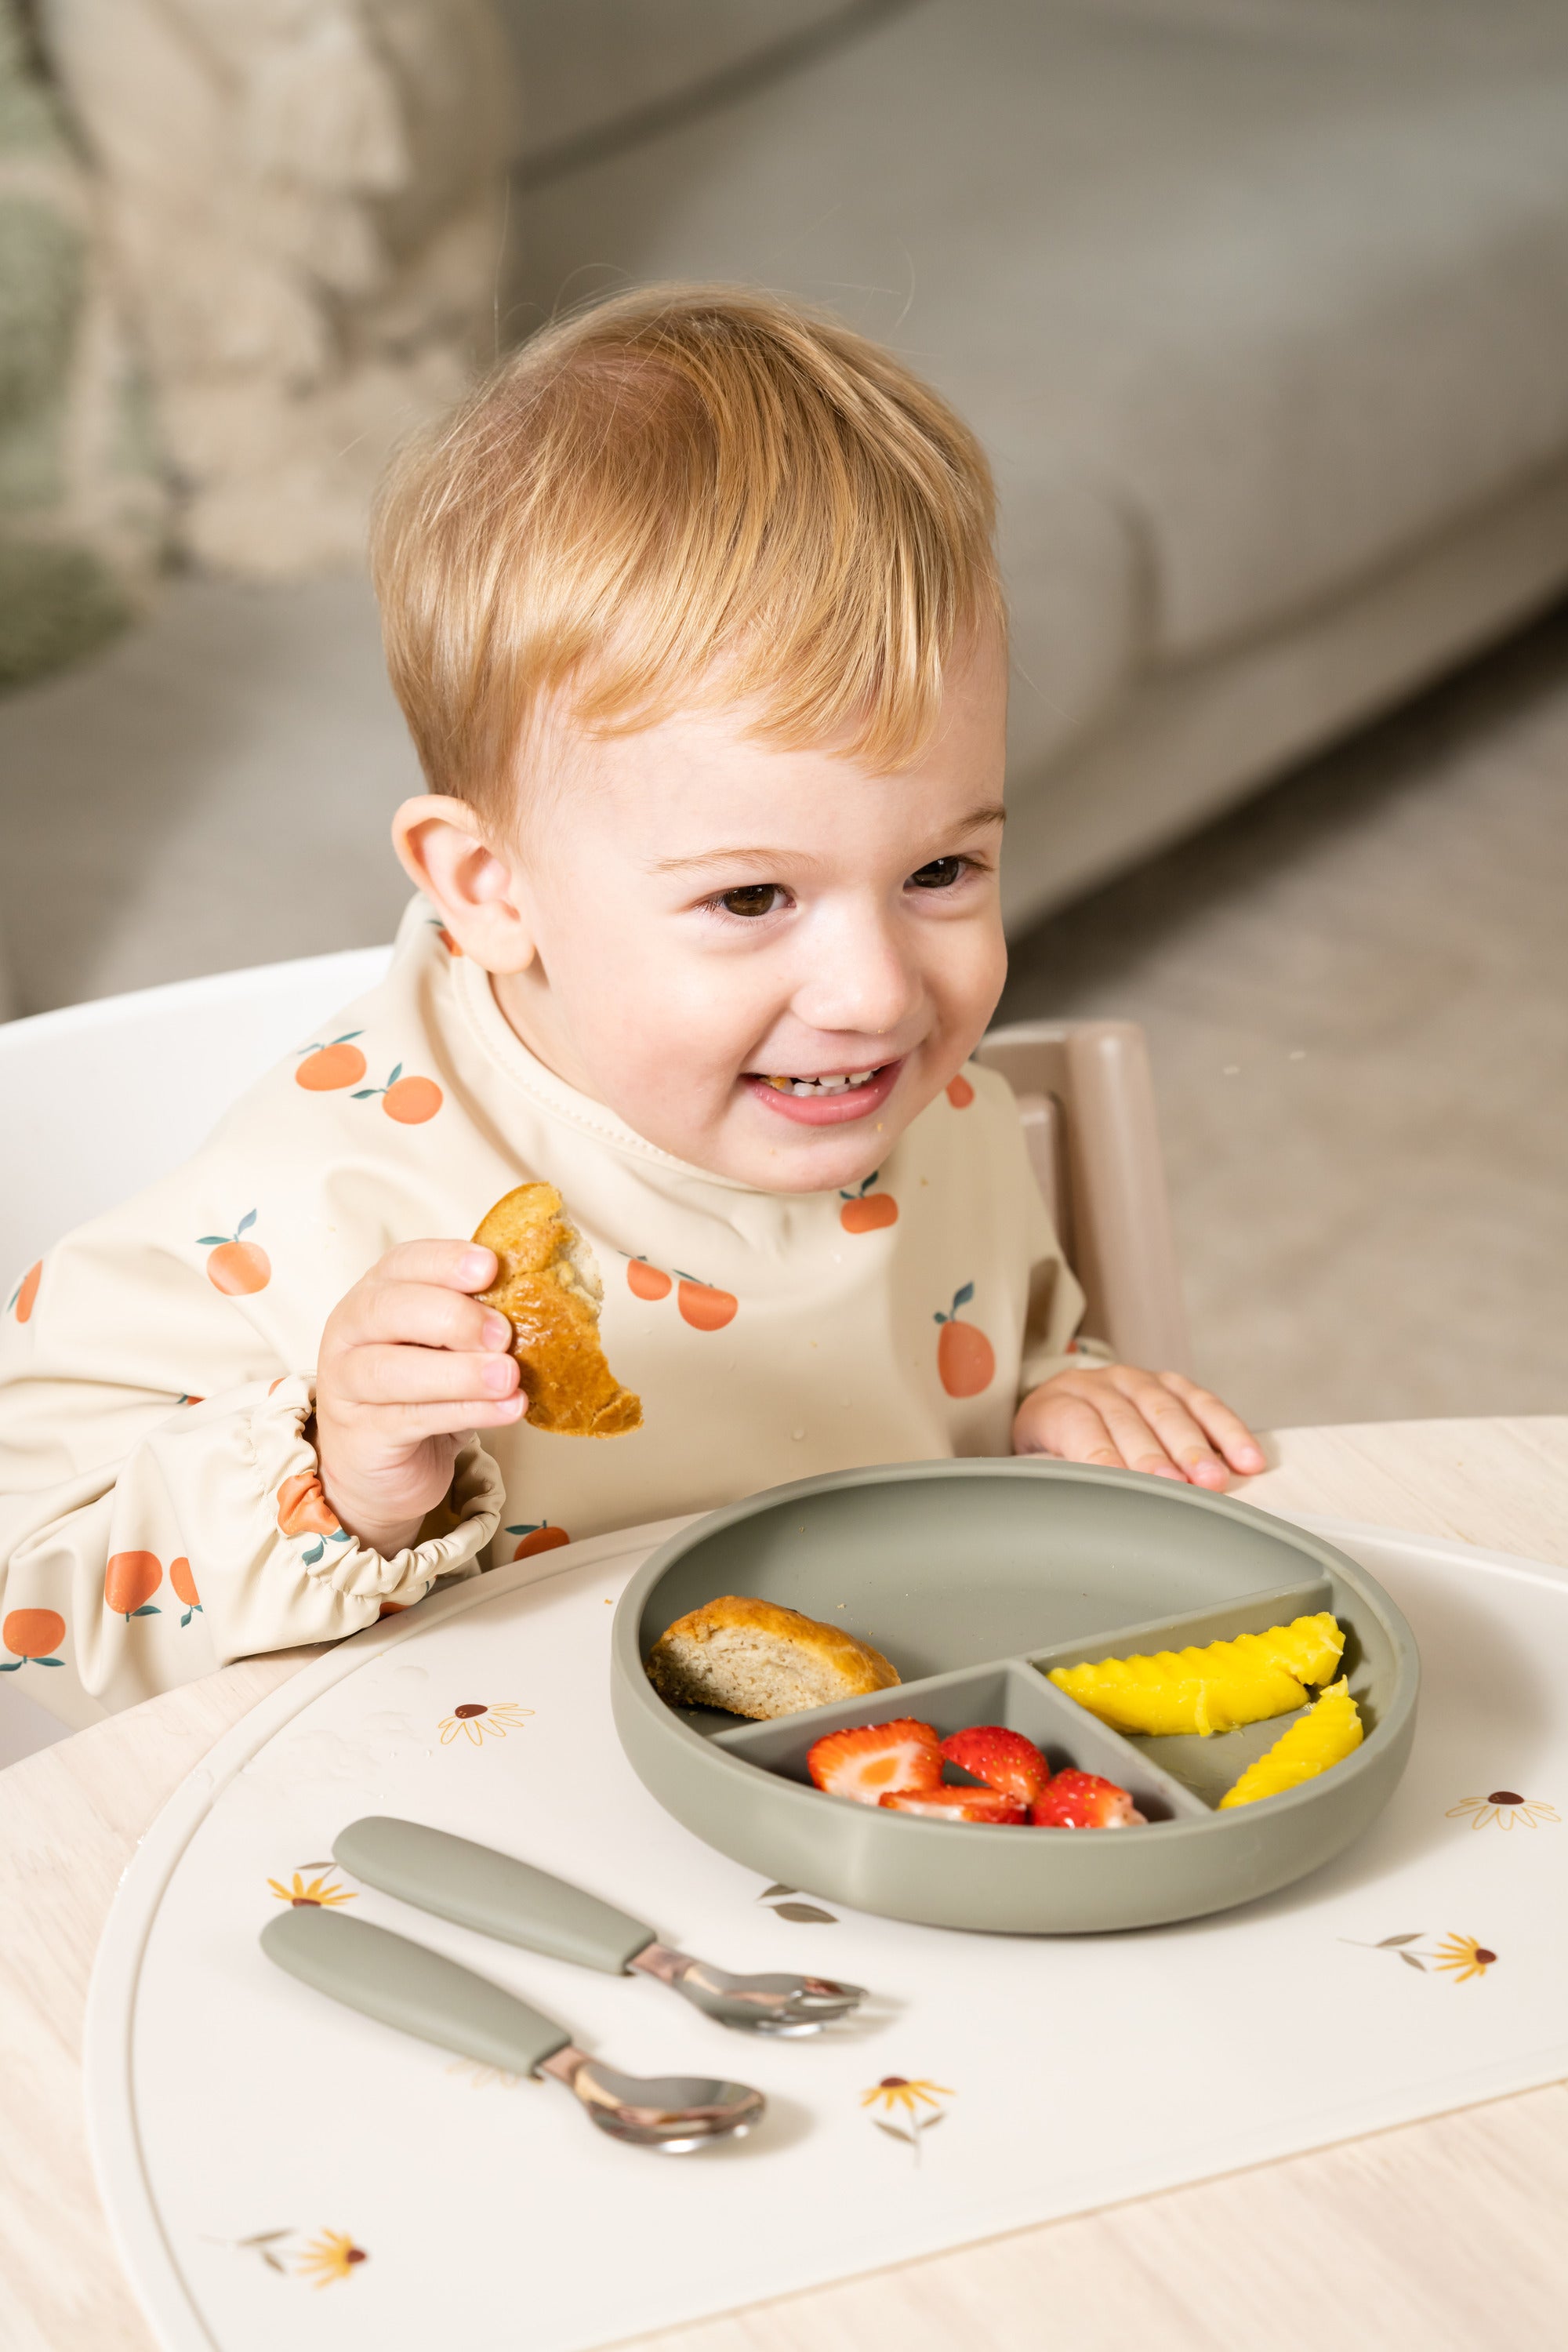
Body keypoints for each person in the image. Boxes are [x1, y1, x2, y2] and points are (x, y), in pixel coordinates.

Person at [0, 286, 1262, 1724]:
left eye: (941, 868)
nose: (875, 993)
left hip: (883, 1782)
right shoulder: (313, 1200)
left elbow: (987, 1353)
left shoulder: (921, 1099)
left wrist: (1058, 1398)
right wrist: (338, 1476)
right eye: (749, 901)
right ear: (489, 885)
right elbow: (34, 1608)